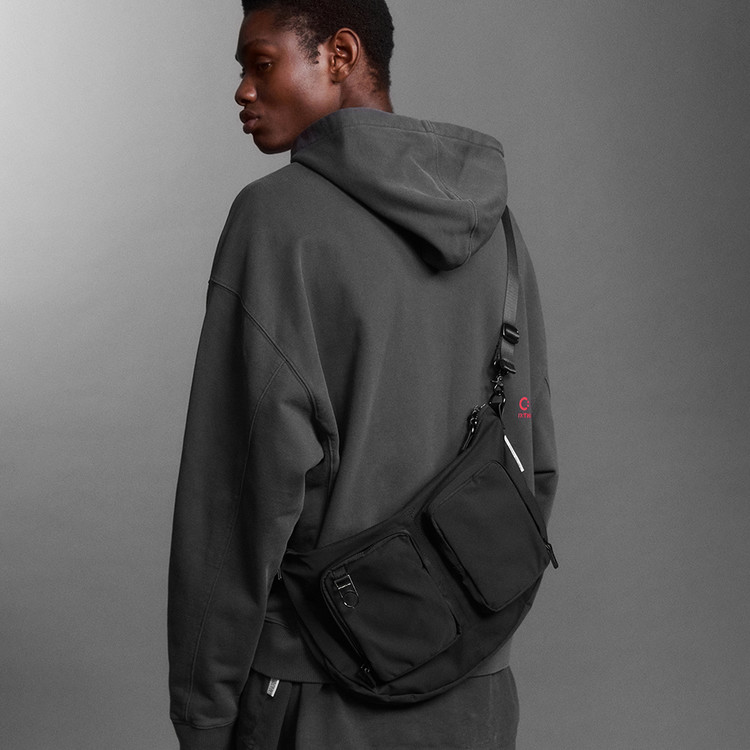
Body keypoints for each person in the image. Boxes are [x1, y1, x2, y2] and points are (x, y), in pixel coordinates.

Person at [168, 1, 558, 748]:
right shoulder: (498, 226)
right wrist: (466, 626)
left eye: (261, 63)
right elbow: (532, 466)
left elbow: (234, 505)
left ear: (340, 55)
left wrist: (203, 713)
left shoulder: (275, 222)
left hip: (317, 697)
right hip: (478, 700)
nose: (242, 90)